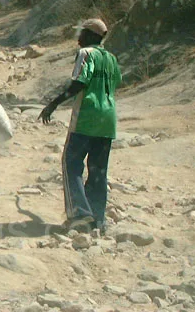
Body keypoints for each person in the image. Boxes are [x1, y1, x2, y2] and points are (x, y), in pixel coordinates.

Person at [38, 18, 122, 232]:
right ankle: (98, 219)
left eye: (82, 33)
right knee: (98, 170)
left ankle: (80, 215)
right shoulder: (112, 58)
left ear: (92, 35)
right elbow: (117, 82)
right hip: (108, 120)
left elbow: (80, 83)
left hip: (87, 117)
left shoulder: (86, 54)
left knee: (71, 164)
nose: (78, 38)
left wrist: (53, 104)